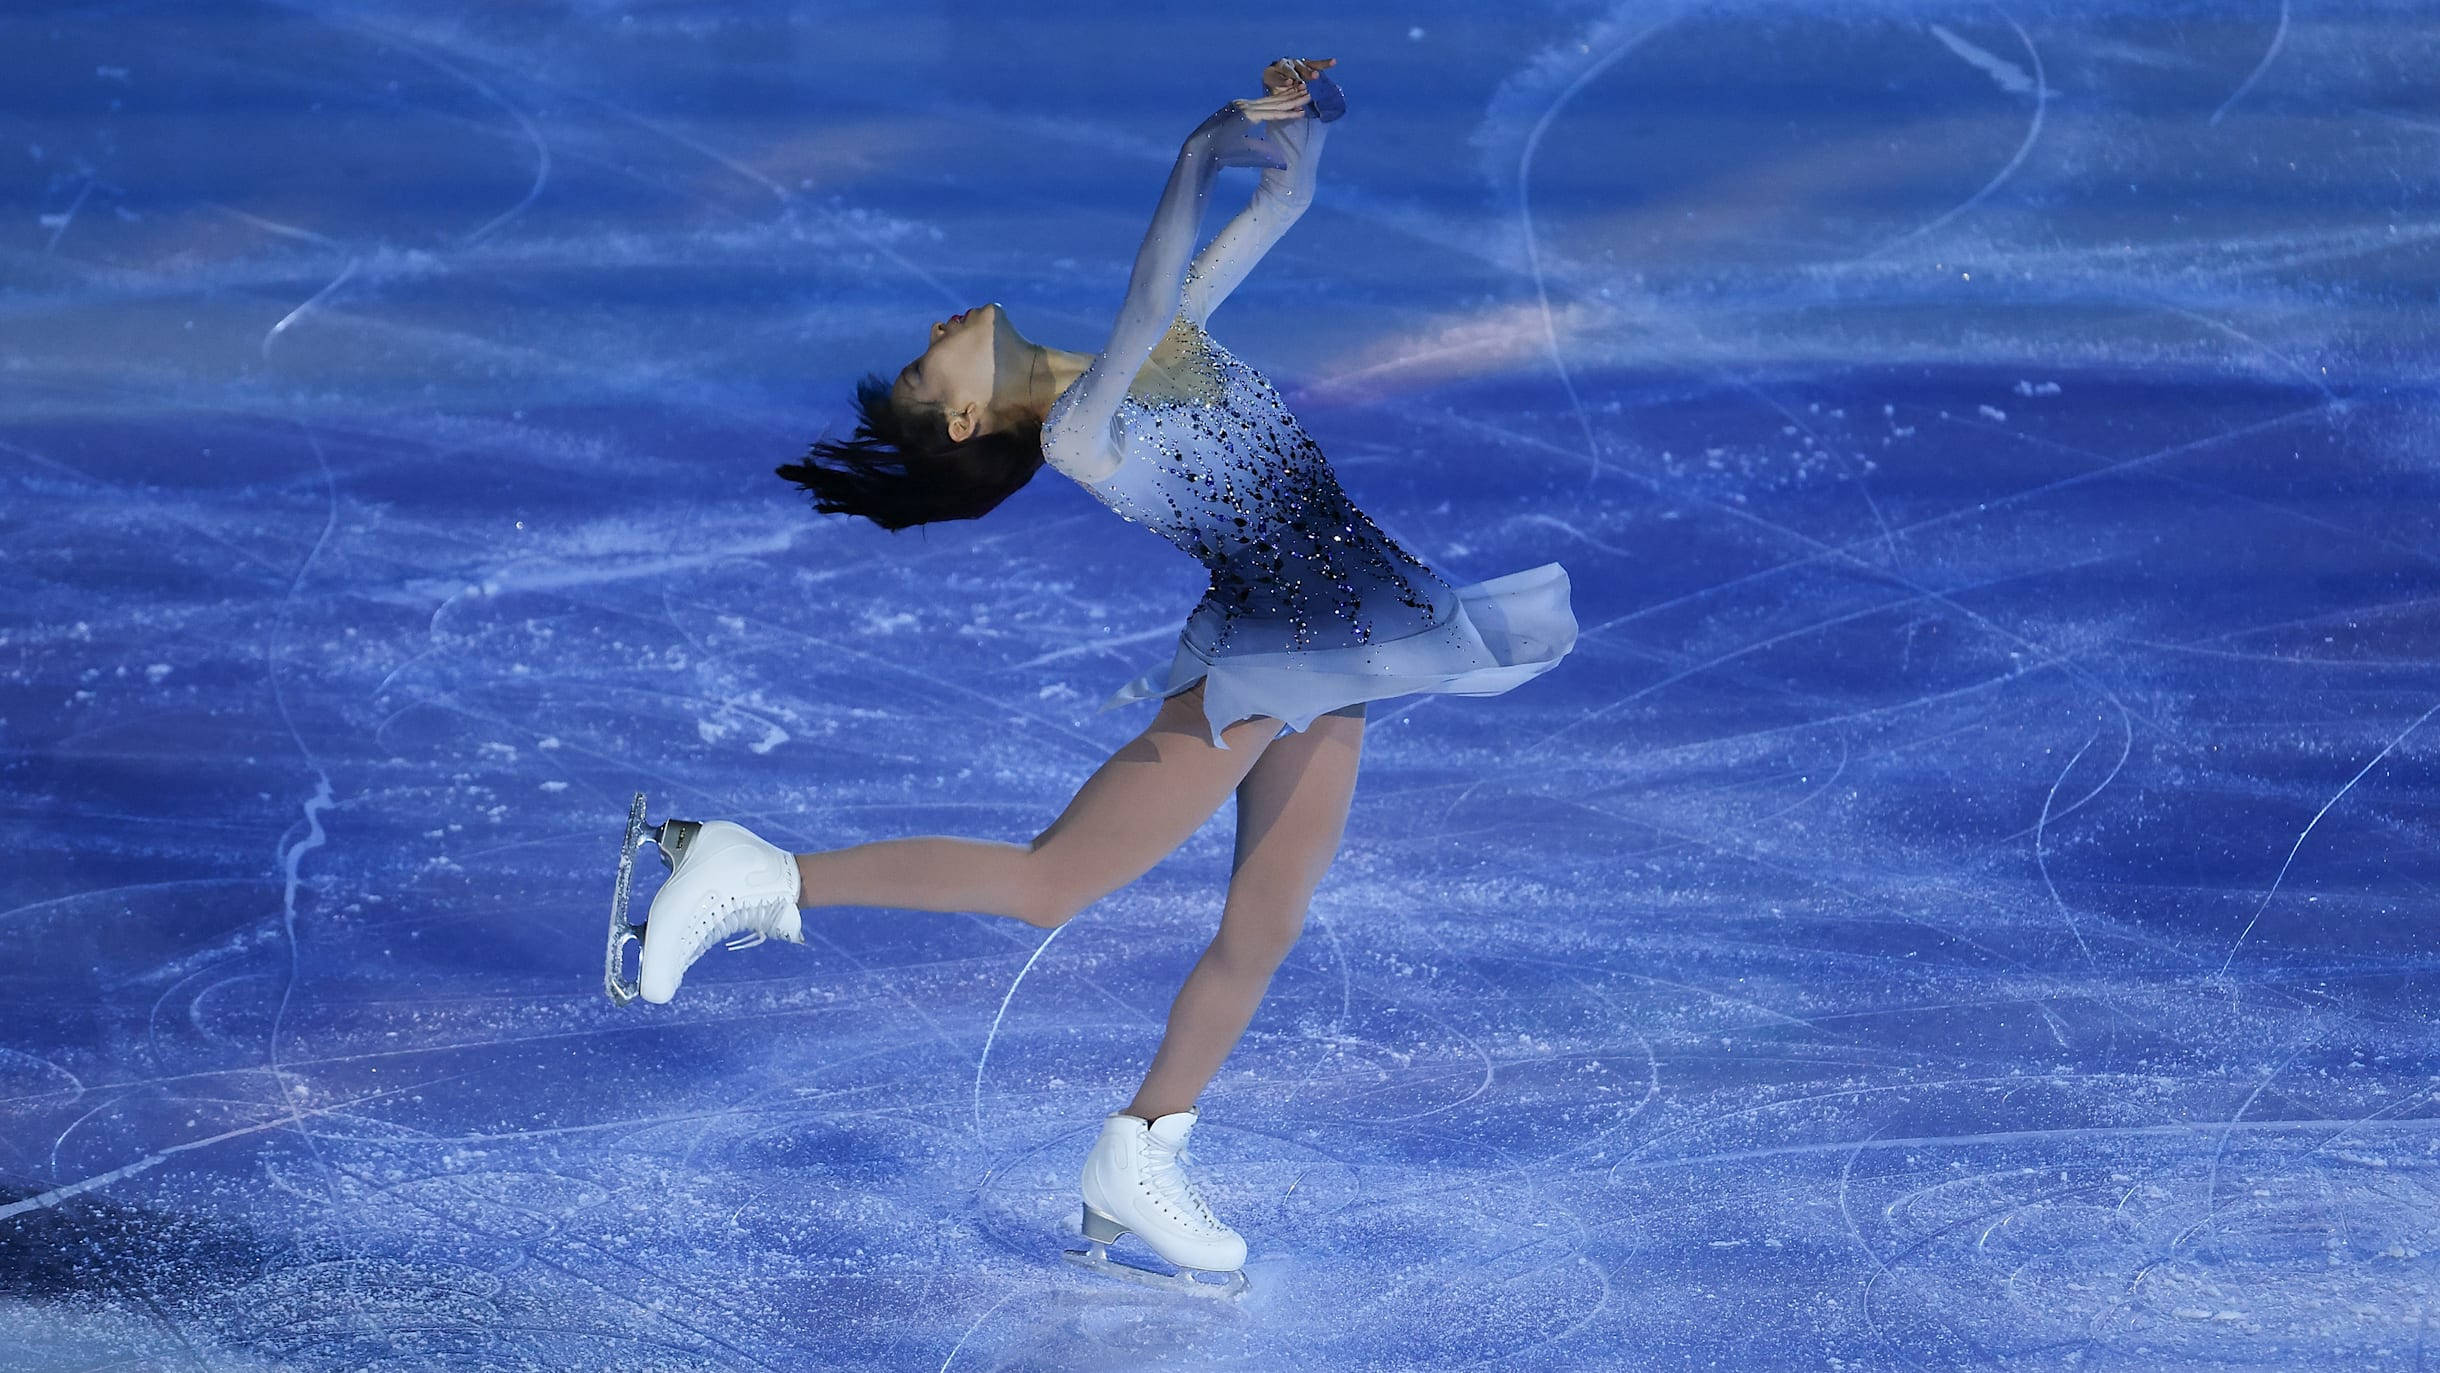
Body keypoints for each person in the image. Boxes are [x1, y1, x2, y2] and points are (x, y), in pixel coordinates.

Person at [624, 56, 1576, 1295]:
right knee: (1052, 881)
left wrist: (1301, 119)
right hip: (1267, 654)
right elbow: (1144, 293)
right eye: (925, 368)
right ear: (964, 423)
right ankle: (759, 871)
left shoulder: (1175, 338)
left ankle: (1143, 1146)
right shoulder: (1084, 432)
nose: (936, 333)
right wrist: (1199, 147)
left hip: (1340, 642)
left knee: (1267, 921)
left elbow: (1282, 202)